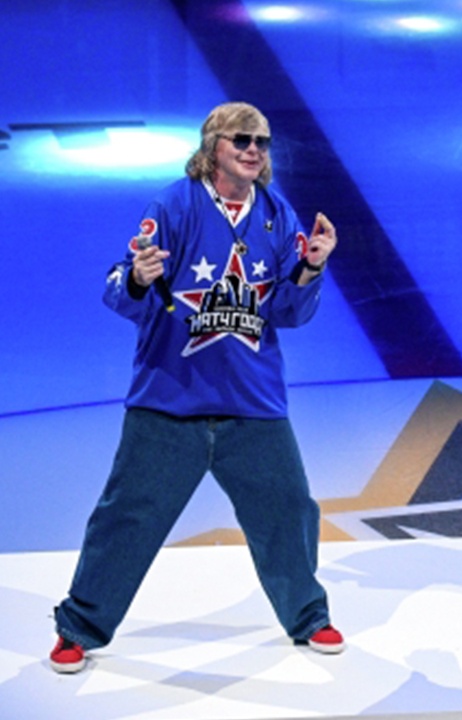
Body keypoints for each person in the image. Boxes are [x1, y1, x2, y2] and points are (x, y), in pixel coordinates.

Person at [50, 102, 343, 674]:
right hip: (169, 401)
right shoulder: (174, 206)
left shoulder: (277, 214)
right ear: (212, 147)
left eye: (262, 141)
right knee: (126, 518)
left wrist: (310, 267)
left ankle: (308, 617)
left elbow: (288, 312)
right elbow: (120, 288)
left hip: (253, 402)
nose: (254, 150)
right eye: (241, 140)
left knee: (288, 511)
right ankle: (78, 628)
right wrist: (139, 279)